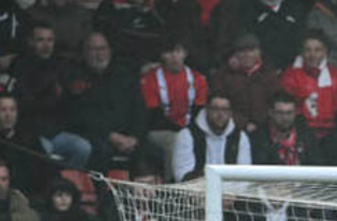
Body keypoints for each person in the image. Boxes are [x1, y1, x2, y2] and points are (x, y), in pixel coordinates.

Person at [64, 32, 147, 172]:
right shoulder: (75, 76)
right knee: (101, 151)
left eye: (103, 48)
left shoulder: (125, 75)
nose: (100, 54)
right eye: (94, 49)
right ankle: (102, 193)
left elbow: (139, 110)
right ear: (85, 53)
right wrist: (110, 136)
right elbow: (80, 116)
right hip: (95, 135)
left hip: (128, 136)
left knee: (148, 151)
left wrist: (135, 137)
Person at [13, 23, 91, 170]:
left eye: (50, 40)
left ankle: (67, 186)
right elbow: (24, 105)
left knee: (83, 147)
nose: (46, 45)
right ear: (31, 42)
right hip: (33, 134)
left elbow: (71, 98)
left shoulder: (62, 65)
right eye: (40, 40)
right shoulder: (21, 66)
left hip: (57, 131)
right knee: (45, 152)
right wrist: (52, 98)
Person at [140, 37, 209, 180]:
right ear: (162, 56)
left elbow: (199, 110)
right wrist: (181, 131)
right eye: (169, 52)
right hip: (160, 130)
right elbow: (153, 115)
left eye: (178, 51)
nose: (174, 57)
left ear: (185, 53)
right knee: (176, 141)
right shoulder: (150, 79)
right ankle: (175, 186)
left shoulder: (198, 79)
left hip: (190, 127)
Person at [280, 30, 337, 139]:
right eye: (308, 50)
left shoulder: (336, 76)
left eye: (317, 50)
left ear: (325, 51)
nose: (312, 55)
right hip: (301, 131)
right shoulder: (290, 76)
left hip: (330, 131)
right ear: (301, 52)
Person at [210, 33, 280, 136]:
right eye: (242, 51)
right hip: (232, 129)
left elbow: (275, 102)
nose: (247, 55)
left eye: (251, 50)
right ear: (235, 54)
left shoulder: (269, 74)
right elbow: (219, 104)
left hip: (266, 129)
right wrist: (243, 123)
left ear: (259, 52)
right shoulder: (224, 75)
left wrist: (260, 124)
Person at [173, 93, 251, 181]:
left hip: (230, 192)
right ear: (207, 110)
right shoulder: (187, 135)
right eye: (215, 109)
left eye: (225, 110)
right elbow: (181, 174)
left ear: (230, 113)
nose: (220, 114)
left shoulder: (240, 137)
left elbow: (245, 175)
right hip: (196, 191)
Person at [93, 0, 166, 73]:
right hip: (121, 69)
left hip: (157, 66)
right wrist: (137, 67)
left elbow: (167, 40)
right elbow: (106, 46)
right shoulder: (107, 8)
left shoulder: (158, 7)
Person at [166, 0, 236, 75]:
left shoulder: (228, 7)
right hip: (190, 67)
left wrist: (221, 61)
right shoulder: (181, 6)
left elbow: (232, 35)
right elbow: (181, 37)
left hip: (223, 66)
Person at [239, 0, 306, 70]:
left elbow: (303, 37)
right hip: (260, 70)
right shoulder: (247, 8)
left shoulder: (295, 6)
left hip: (293, 68)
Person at [26, 0, 93, 65]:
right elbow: (28, 46)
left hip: (75, 64)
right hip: (41, 64)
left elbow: (88, 44)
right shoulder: (33, 15)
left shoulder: (82, 14)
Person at [251, 91, 323, 166]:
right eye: (280, 113)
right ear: (271, 112)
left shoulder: (307, 137)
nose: (285, 118)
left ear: (295, 113)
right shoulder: (258, 138)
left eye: (289, 113)